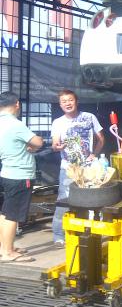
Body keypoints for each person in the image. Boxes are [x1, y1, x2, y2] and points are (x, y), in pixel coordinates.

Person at [50, 90, 105, 247]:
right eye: (64, 101)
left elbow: (101, 138)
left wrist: (94, 154)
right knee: (64, 201)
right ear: (60, 105)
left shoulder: (90, 117)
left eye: (70, 100)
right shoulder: (58, 122)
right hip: (68, 168)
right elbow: (55, 144)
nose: (68, 103)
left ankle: (91, 232)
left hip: (89, 168)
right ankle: (59, 235)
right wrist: (57, 146)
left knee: (92, 199)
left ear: (76, 101)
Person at [0, 91, 43, 262]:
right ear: (17, 104)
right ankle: (8, 253)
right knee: (13, 215)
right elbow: (37, 142)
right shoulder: (15, 124)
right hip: (20, 174)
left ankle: (4, 247)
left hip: (6, 172)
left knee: (4, 213)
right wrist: (36, 141)